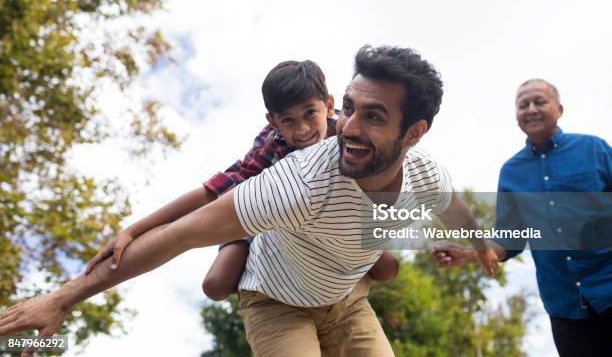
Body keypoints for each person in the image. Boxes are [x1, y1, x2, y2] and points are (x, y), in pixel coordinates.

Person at [0, 45, 498, 357]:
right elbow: (183, 232)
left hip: (346, 301)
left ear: (413, 133)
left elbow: (451, 205)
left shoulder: (426, 172)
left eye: (372, 116)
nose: (347, 127)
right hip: (278, 301)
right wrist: (63, 297)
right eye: (348, 108)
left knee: (383, 262)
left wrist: (482, 246)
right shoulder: (298, 181)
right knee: (220, 282)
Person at [85, 59, 400, 302]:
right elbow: (211, 193)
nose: (302, 130)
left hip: (335, 219)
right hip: (268, 212)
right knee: (216, 285)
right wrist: (132, 230)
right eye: (287, 121)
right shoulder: (271, 145)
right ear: (273, 122)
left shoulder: (349, 138)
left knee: (387, 269)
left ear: (328, 106)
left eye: (309, 114)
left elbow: (397, 182)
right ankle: (268, 274)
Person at [433, 79, 612, 356]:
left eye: (539, 101)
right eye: (523, 105)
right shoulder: (511, 173)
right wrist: (471, 254)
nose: (531, 109)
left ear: (559, 109)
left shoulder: (595, 150)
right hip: (565, 307)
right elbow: (510, 238)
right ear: (517, 117)